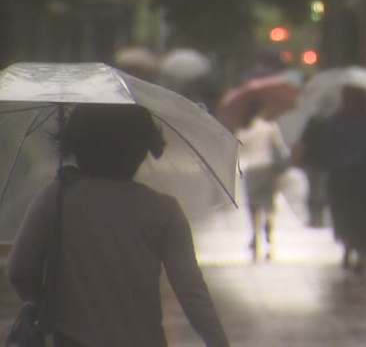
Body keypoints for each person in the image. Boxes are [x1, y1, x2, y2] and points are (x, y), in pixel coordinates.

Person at [8, 104, 230, 347]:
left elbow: (19, 269)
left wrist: (46, 301)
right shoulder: (164, 210)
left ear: (76, 145)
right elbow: (191, 291)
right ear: (143, 148)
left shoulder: (56, 198)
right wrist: (217, 341)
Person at [300, 86, 366, 273]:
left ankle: (347, 246)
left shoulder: (336, 120)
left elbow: (328, 144)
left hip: (340, 175)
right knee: (362, 215)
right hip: (364, 176)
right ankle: (360, 252)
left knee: (343, 213)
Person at [236, 99, 289, 261]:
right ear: (261, 111)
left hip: (251, 170)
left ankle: (255, 234)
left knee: (253, 206)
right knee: (268, 205)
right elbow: (280, 148)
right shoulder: (269, 127)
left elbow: (239, 152)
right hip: (268, 170)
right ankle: (269, 235)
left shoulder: (243, 130)